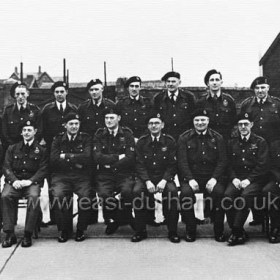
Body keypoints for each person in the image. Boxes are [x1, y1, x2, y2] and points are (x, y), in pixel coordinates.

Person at [177, 109, 227, 242]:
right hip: (192, 177)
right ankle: (190, 229)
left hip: (212, 177)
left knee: (220, 194)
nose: (200, 123)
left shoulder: (218, 137)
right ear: (193, 122)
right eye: (197, 120)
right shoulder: (184, 137)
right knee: (185, 194)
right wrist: (190, 179)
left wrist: (214, 178)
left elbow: (222, 161)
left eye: (203, 120)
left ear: (208, 121)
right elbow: (182, 162)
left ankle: (219, 230)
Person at [116, 76, 159, 227]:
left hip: (145, 143)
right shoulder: (121, 104)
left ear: (140, 87)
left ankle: (150, 216)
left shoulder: (147, 103)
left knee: (147, 176)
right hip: (126, 144)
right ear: (128, 88)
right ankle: (125, 217)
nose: (134, 88)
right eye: (131, 86)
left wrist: (142, 139)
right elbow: (118, 124)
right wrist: (129, 139)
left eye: (137, 86)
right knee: (127, 181)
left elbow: (153, 123)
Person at [132, 113, 180, 243]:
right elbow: (139, 164)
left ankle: (172, 231)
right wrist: (147, 181)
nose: (154, 126)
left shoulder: (170, 141)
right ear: (148, 126)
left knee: (172, 193)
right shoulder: (142, 142)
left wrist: (164, 180)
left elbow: (172, 164)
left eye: (157, 123)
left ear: (162, 125)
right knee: (137, 192)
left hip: (164, 178)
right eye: (151, 123)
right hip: (145, 178)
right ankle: (140, 230)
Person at [1, 120, 48, 248]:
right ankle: (9, 234)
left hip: (31, 182)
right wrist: (14, 180)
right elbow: (6, 167)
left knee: (33, 198)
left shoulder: (41, 150)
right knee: (5, 196)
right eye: (24, 131)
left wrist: (30, 181)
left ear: (35, 132)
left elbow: (43, 169)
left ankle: (28, 234)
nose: (27, 133)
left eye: (29, 130)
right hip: (14, 182)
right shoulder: (12, 148)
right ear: (21, 133)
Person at [240, 76, 280, 226]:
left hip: (274, 151)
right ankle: (258, 217)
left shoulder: (277, 104)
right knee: (256, 181)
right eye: (257, 88)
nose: (260, 91)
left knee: (270, 186)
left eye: (263, 87)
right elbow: (240, 124)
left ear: (268, 88)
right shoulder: (247, 105)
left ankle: (274, 221)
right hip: (254, 150)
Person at [225, 113, 269, 246]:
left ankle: (236, 231)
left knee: (245, 196)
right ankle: (238, 231)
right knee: (227, 196)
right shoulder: (232, 142)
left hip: (255, 179)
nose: (243, 127)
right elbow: (228, 163)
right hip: (237, 179)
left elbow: (263, 165)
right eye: (240, 124)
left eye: (246, 124)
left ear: (251, 125)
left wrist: (249, 180)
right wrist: (234, 178)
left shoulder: (260, 142)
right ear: (237, 126)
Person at [38, 81, 77, 225]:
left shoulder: (73, 108)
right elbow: (41, 130)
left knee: (69, 183)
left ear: (67, 92)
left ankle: (67, 217)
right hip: (52, 152)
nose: (59, 94)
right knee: (53, 185)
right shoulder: (47, 110)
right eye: (57, 92)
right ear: (53, 94)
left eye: (62, 91)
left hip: (70, 152)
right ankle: (55, 218)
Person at [50, 113, 93, 242]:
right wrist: (76, 160)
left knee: (85, 197)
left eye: (76, 124)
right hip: (61, 176)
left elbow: (88, 157)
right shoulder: (57, 139)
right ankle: (64, 229)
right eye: (71, 124)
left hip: (81, 176)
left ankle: (81, 229)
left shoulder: (86, 138)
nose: (74, 126)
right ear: (65, 125)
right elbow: (53, 160)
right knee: (58, 196)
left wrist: (66, 156)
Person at [78, 78, 115, 225]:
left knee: (106, 181)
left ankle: (108, 215)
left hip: (106, 148)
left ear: (102, 90)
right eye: (92, 90)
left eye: (97, 89)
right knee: (90, 181)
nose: (94, 92)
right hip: (89, 149)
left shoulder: (111, 105)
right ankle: (91, 216)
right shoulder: (83, 108)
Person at [92, 107, 135, 235]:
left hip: (123, 173)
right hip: (105, 174)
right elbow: (97, 157)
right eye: (106, 118)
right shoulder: (99, 134)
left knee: (127, 191)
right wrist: (117, 157)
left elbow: (130, 157)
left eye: (112, 117)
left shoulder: (127, 134)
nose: (109, 120)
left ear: (119, 118)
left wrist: (110, 162)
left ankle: (121, 219)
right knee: (105, 194)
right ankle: (117, 219)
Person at [153, 71, 196, 141]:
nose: (170, 84)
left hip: (185, 137)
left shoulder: (189, 97)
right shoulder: (158, 98)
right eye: (168, 81)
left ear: (179, 82)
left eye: (173, 81)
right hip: (166, 138)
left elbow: (193, 116)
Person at [196, 69, 236, 141]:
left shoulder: (229, 100)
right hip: (207, 140)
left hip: (225, 139)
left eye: (217, 80)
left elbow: (234, 121)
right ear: (208, 83)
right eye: (212, 80)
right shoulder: (201, 102)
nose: (214, 83)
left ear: (221, 82)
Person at [2, 81, 40, 152]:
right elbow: (4, 133)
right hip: (12, 150)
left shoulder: (35, 110)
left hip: (31, 150)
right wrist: (13, 147)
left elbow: (39, 131)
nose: (20, 96)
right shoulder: (8, 111)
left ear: (27, 94)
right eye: (17, 94)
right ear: (14, 95)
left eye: (23, 94)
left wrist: (31, 145)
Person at [263, 139, 280, 243]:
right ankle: (275, 227)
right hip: (278, 180)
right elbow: (271, 167)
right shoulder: (274, 145)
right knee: (268, 191)